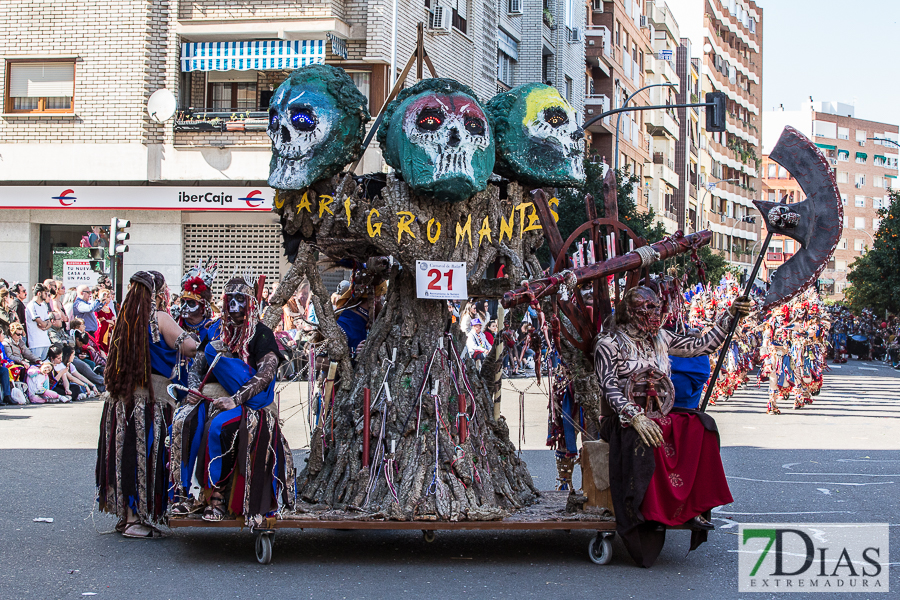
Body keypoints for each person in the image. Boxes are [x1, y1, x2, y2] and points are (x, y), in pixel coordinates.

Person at [594, 286, 750, 568]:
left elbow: (701, 345)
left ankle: (691, 506)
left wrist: (729, 316)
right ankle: (646, 513)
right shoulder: (609, 342)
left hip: (658, 411)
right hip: (621, 419)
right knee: (642, 439)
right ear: (632, 312)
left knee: (701, 425)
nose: (656, 315)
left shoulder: (661, 337)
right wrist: (635, 416)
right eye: (649, 309)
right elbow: (608, 387)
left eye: (657, 308)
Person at [177, 274, 294, 523]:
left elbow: (266, 373)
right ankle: (186, 493)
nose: (235, 307)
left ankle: (217, 496)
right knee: (182, 423)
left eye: (241, 300)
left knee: (219, 427)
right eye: (231, 300)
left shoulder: (261, 334)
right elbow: (197, 368)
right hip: (211, 399)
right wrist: (194, 390)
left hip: (250, 402)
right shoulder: (215, 330)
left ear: (251, 303)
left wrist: (237, 399)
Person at [96, 271, 199, 538]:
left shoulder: (125, 319)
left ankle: (126, 516)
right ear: (157, 293)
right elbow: (189, 347)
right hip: (149, 402)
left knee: (124, 455)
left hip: (120, 401)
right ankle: (134, 522)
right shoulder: (159, 318)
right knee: (144, 456)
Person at [25, 284, 52, 360]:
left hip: (45, 341)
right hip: (36, 343)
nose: (47, 295)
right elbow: (41, 323)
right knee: (37, 366)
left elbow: (49, 323)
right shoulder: (31, 305)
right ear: (39, 293)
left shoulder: (43, 305)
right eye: (45, 293)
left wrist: (45, 325)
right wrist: (44, 324)